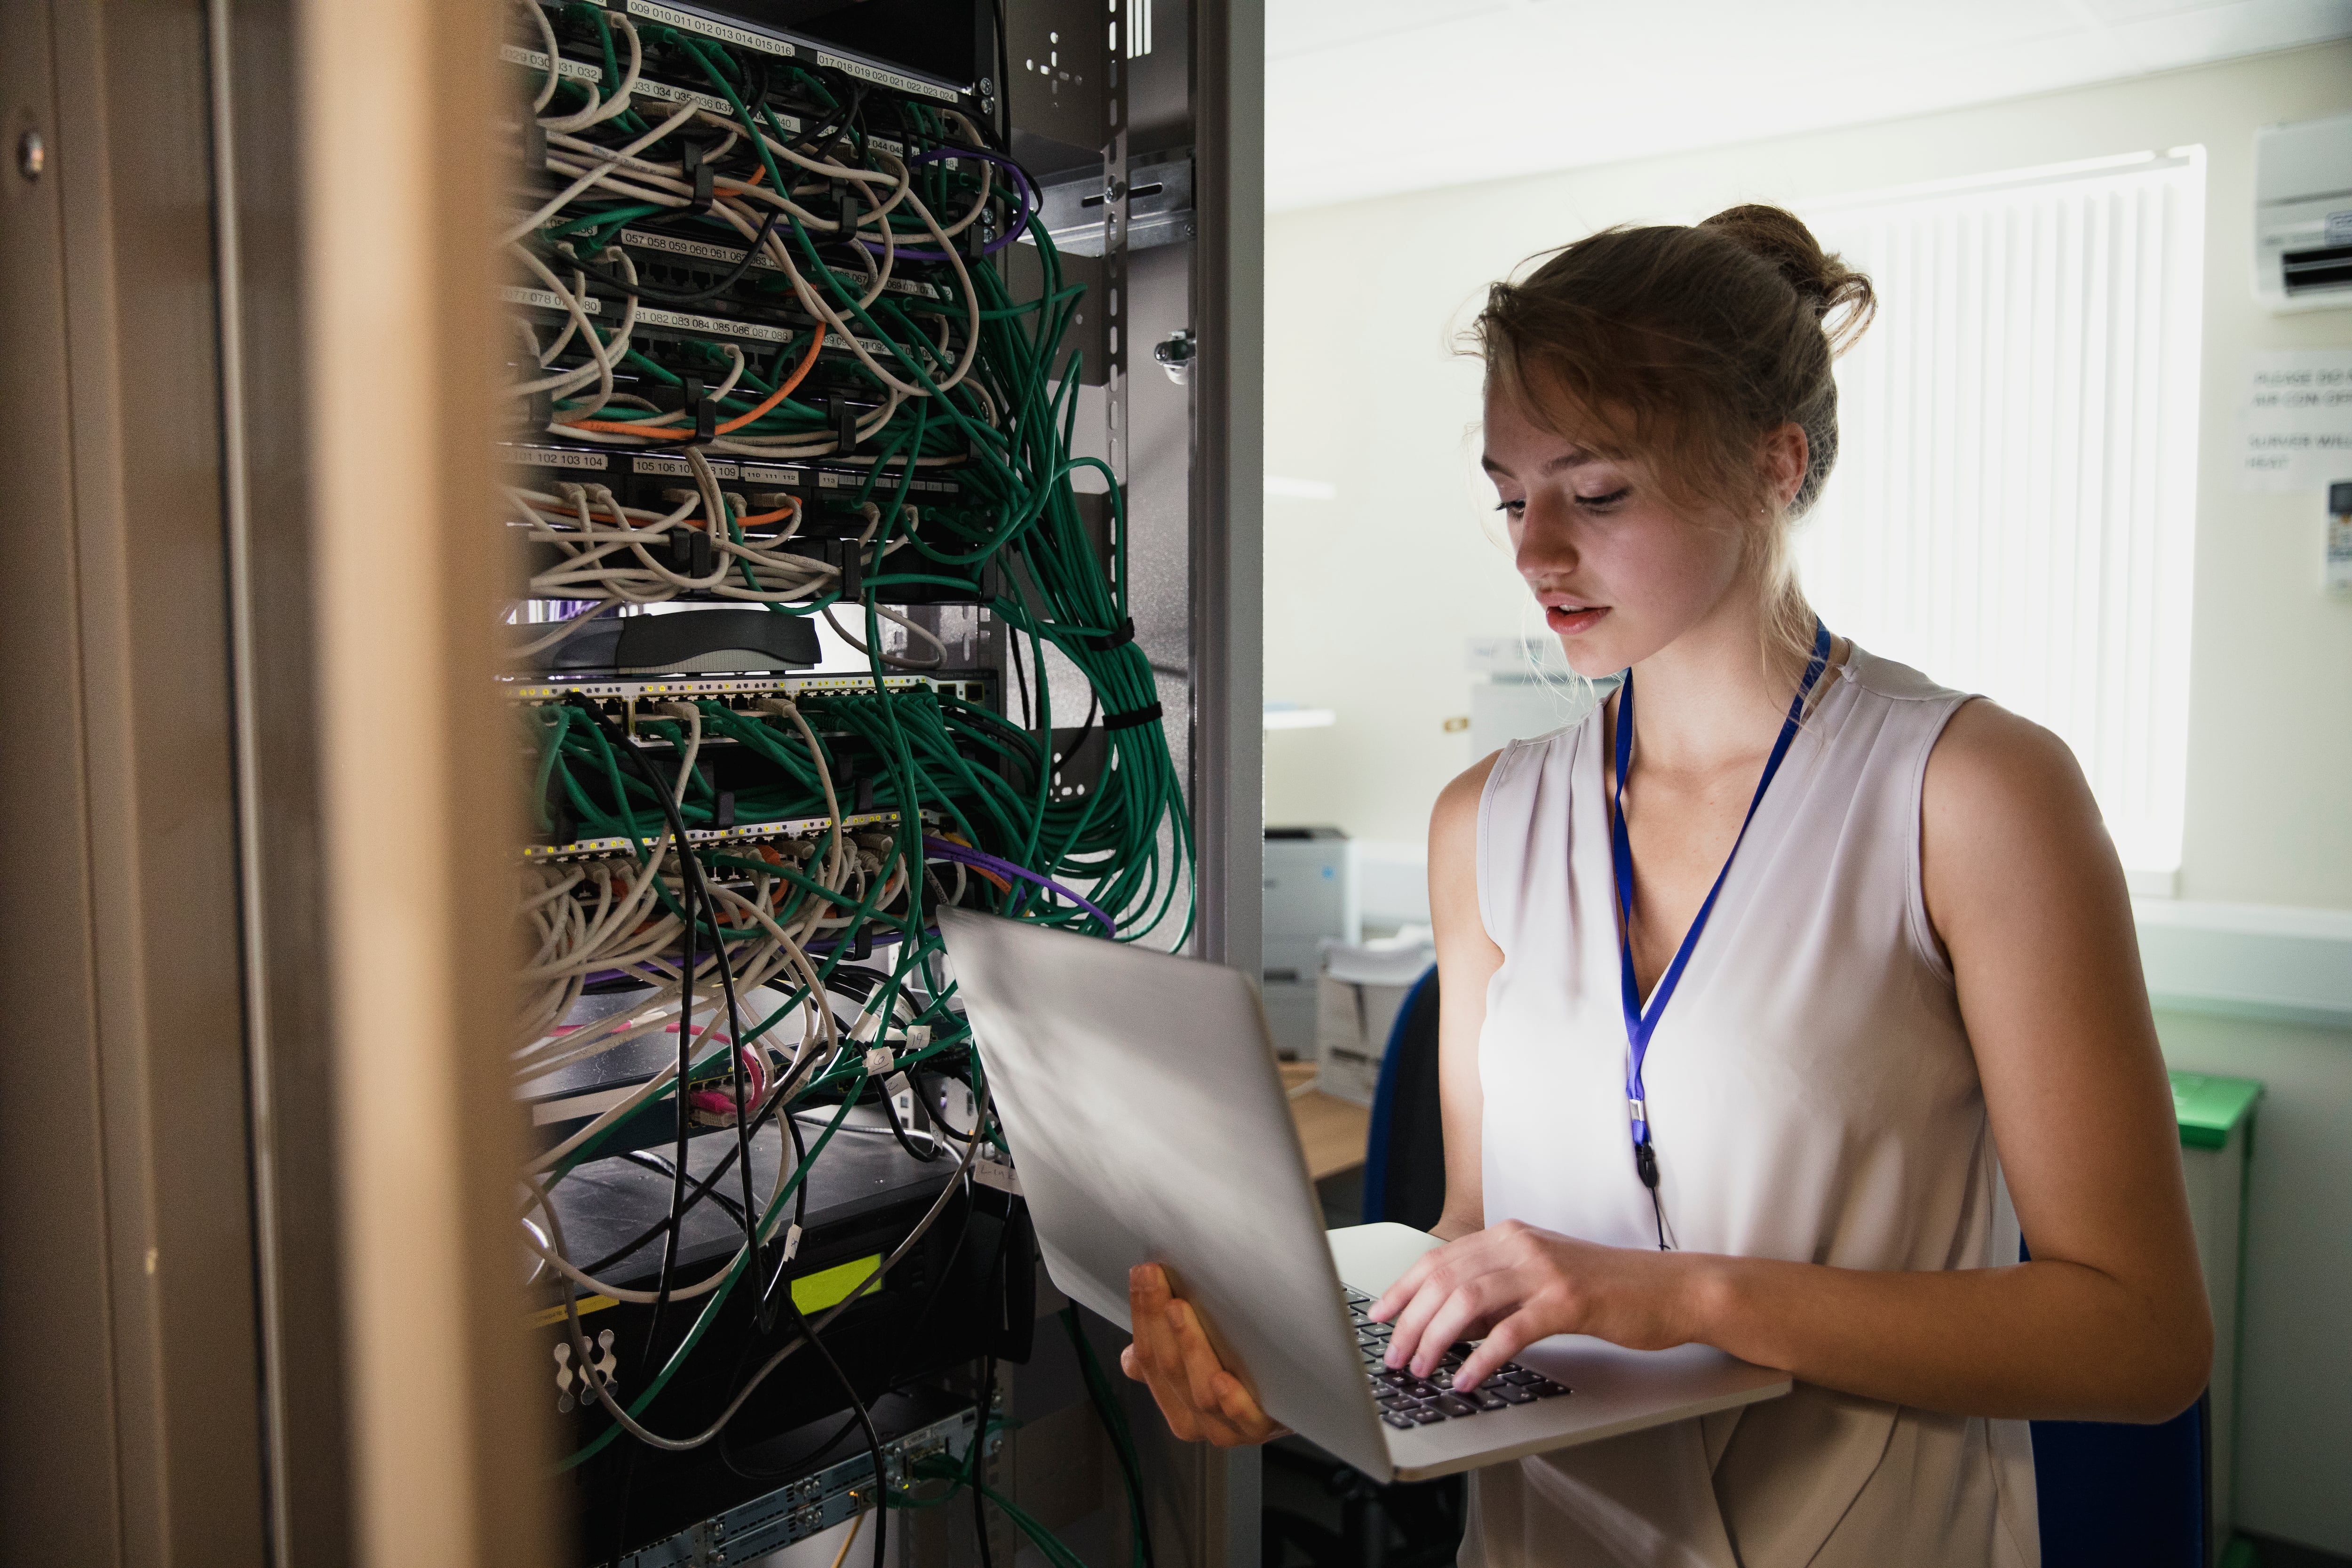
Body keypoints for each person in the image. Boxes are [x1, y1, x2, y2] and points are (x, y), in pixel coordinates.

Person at [1119, 206, 2210, 1565]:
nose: (1534, 552)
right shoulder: (1487, 823)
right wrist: (1284, 1369)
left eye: (1598, 491)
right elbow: (1475, 1241)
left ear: (1774, 462)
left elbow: (2140, 1337)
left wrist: (1680, 1295)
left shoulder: (1971, 792)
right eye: (1513, 496)